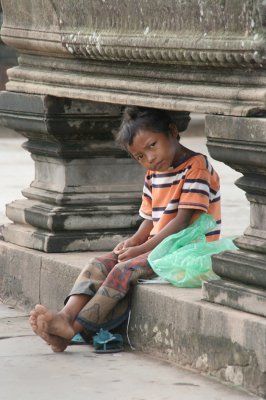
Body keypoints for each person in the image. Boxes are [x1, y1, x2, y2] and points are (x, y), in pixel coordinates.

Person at [29, 107, 221, 352]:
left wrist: (142, 248)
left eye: (152, 145)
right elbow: (151, 219)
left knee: (123, 269)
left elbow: (181, 222)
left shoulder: (196, 167)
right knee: (99, 263)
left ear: (172, 132)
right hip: (158, 248)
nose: (149, 159)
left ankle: (73, 330)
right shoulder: (154, 173)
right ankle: (66, 316)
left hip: (186, 252)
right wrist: (133, 242)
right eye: (139, 156)